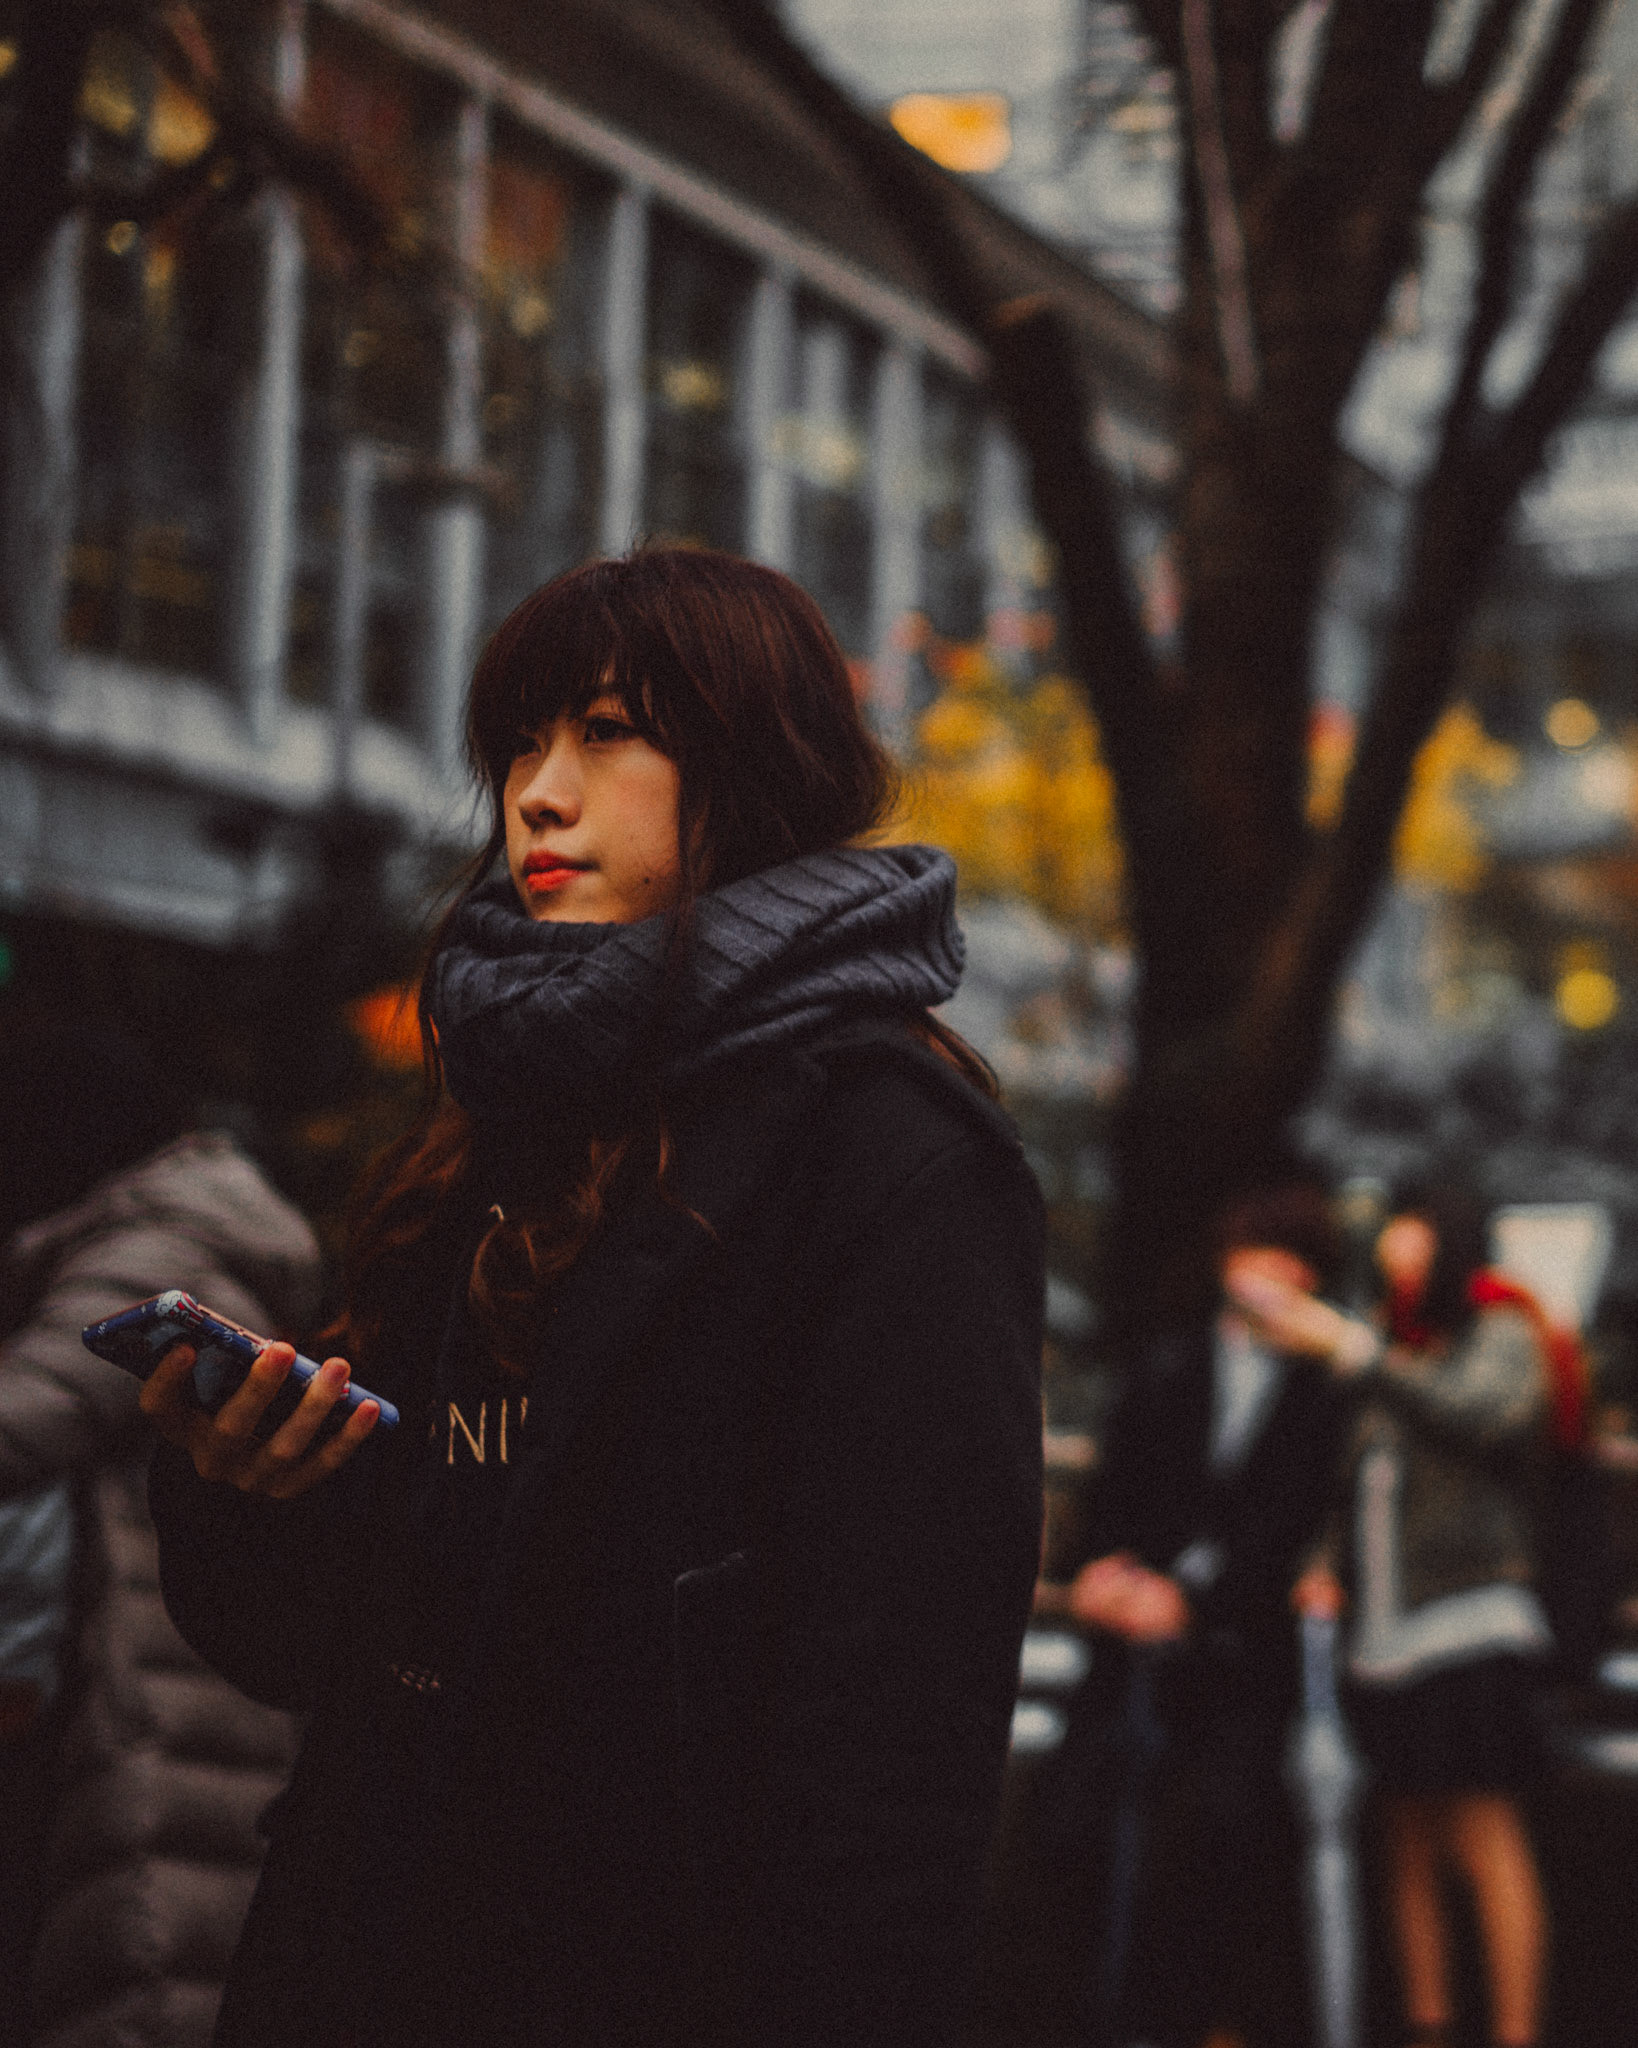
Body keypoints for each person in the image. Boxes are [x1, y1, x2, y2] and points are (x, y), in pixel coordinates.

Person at [142, 547, 1047, 2048]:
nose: (537, 794)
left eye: (607, 732)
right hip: (378, 1951)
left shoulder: (892, 1153)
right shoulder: (506, 1109)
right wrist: (252, 1489)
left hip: (653, 1977)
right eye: (515, 743)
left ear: (756, 766)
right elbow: (339, 1645)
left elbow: (897, 1746)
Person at [0, 1011, 316, 2048]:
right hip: (154, 1679)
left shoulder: (163, 1242)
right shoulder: (167, 1220)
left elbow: (34, 1410)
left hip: (149, 1694)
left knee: (136, 1960)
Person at [1041, 1183, 1357, 2048]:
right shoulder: (1169, 1364)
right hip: (1132, 1640)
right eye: (1254, 1257)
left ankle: (1191, 2018)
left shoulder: (1325, 1394)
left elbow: (1290, 1528)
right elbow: (1114, 1491)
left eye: (1288, 1263)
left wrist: (1195, 1603)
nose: (1266, 1279)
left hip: (1239, 1656)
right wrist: (1102, 1576)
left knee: (1222, 1838)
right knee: (1077, 1822)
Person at [1280, 1185, 1554, 2048]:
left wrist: (1361, 1356)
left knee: (1483, 1833)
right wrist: (1322, 1568)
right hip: (1385, 1635)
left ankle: (1515, 2033)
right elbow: (1355, 1486)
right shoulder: (1390, 1348)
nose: (1396, 1245)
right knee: (1404, 1835)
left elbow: (1481, 1417)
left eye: (1413, 1227)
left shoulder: (1503, 1333)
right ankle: (1424, 2026)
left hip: (1467, 1619)